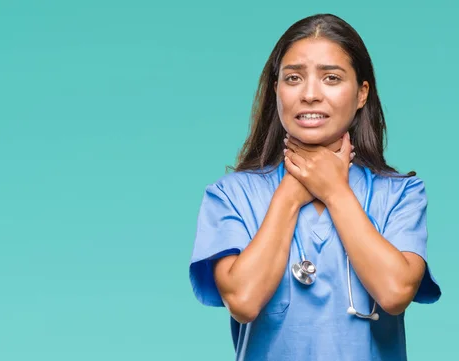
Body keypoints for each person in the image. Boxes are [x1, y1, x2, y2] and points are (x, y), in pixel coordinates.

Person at [188, 13, 441, 361]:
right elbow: (243, 301)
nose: (310, 94)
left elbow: (395, 291)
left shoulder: (400, 195)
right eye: (293, 78)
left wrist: (335, 192)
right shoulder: (232, 195)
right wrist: (291, 194)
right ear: (276, 89)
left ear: (362, 93)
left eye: (331, 78)